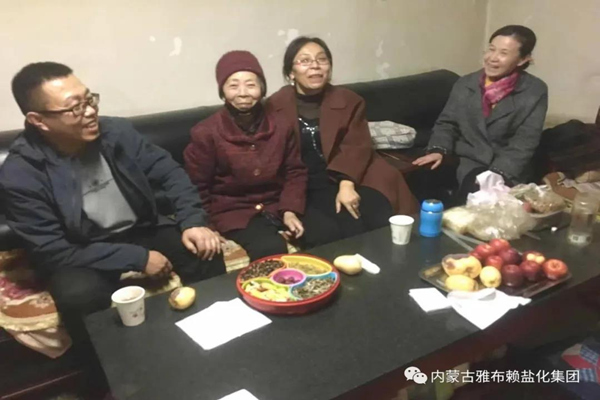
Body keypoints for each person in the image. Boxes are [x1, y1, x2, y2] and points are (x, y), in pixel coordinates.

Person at [0, 62, 226, 337]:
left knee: (205, 250)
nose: (90, 112)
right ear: (39, 121)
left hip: (141, 229)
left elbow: (169, 172)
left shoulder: (116, 133)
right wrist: (137, 258)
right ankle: (108, 362)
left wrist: (193, 221)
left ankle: (217, 335)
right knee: (79, 295)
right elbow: (52, 250)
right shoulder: (21, 173)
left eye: (89, 100)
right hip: (82, 249)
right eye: (74, 108)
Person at [185, 51, 335, 261]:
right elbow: (196, 186)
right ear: (222, 91)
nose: (243, 93)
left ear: (262, 88)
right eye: (233, 86)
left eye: (251, 85)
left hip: (277, 203)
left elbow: (295, 171)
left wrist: (290, 209)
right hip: (233, 211)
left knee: (327, 232)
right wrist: (207, 226)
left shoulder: (281, 124)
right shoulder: (205, 132)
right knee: (270, 248)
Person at [268, 37, 418, 240]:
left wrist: (346, 184)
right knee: (331, 231)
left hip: (347, 174)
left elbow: (356, 145)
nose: (315, 65)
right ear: (290, 73)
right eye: (305, 61)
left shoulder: (349, 100)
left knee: (375, 214)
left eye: (322, 59)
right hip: (301, 183)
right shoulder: (275, 105)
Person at [413, 25, 548, 203]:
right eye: (491, 49)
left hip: (506, 164)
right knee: (423, 179)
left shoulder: (534, 90)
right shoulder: (466, 83)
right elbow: (447, 123)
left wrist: (498, 173)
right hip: (467, 158)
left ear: (522, 59)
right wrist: (438, 149)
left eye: (503, 53)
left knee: (481, 199)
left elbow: (525, 141)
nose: (492, 58)